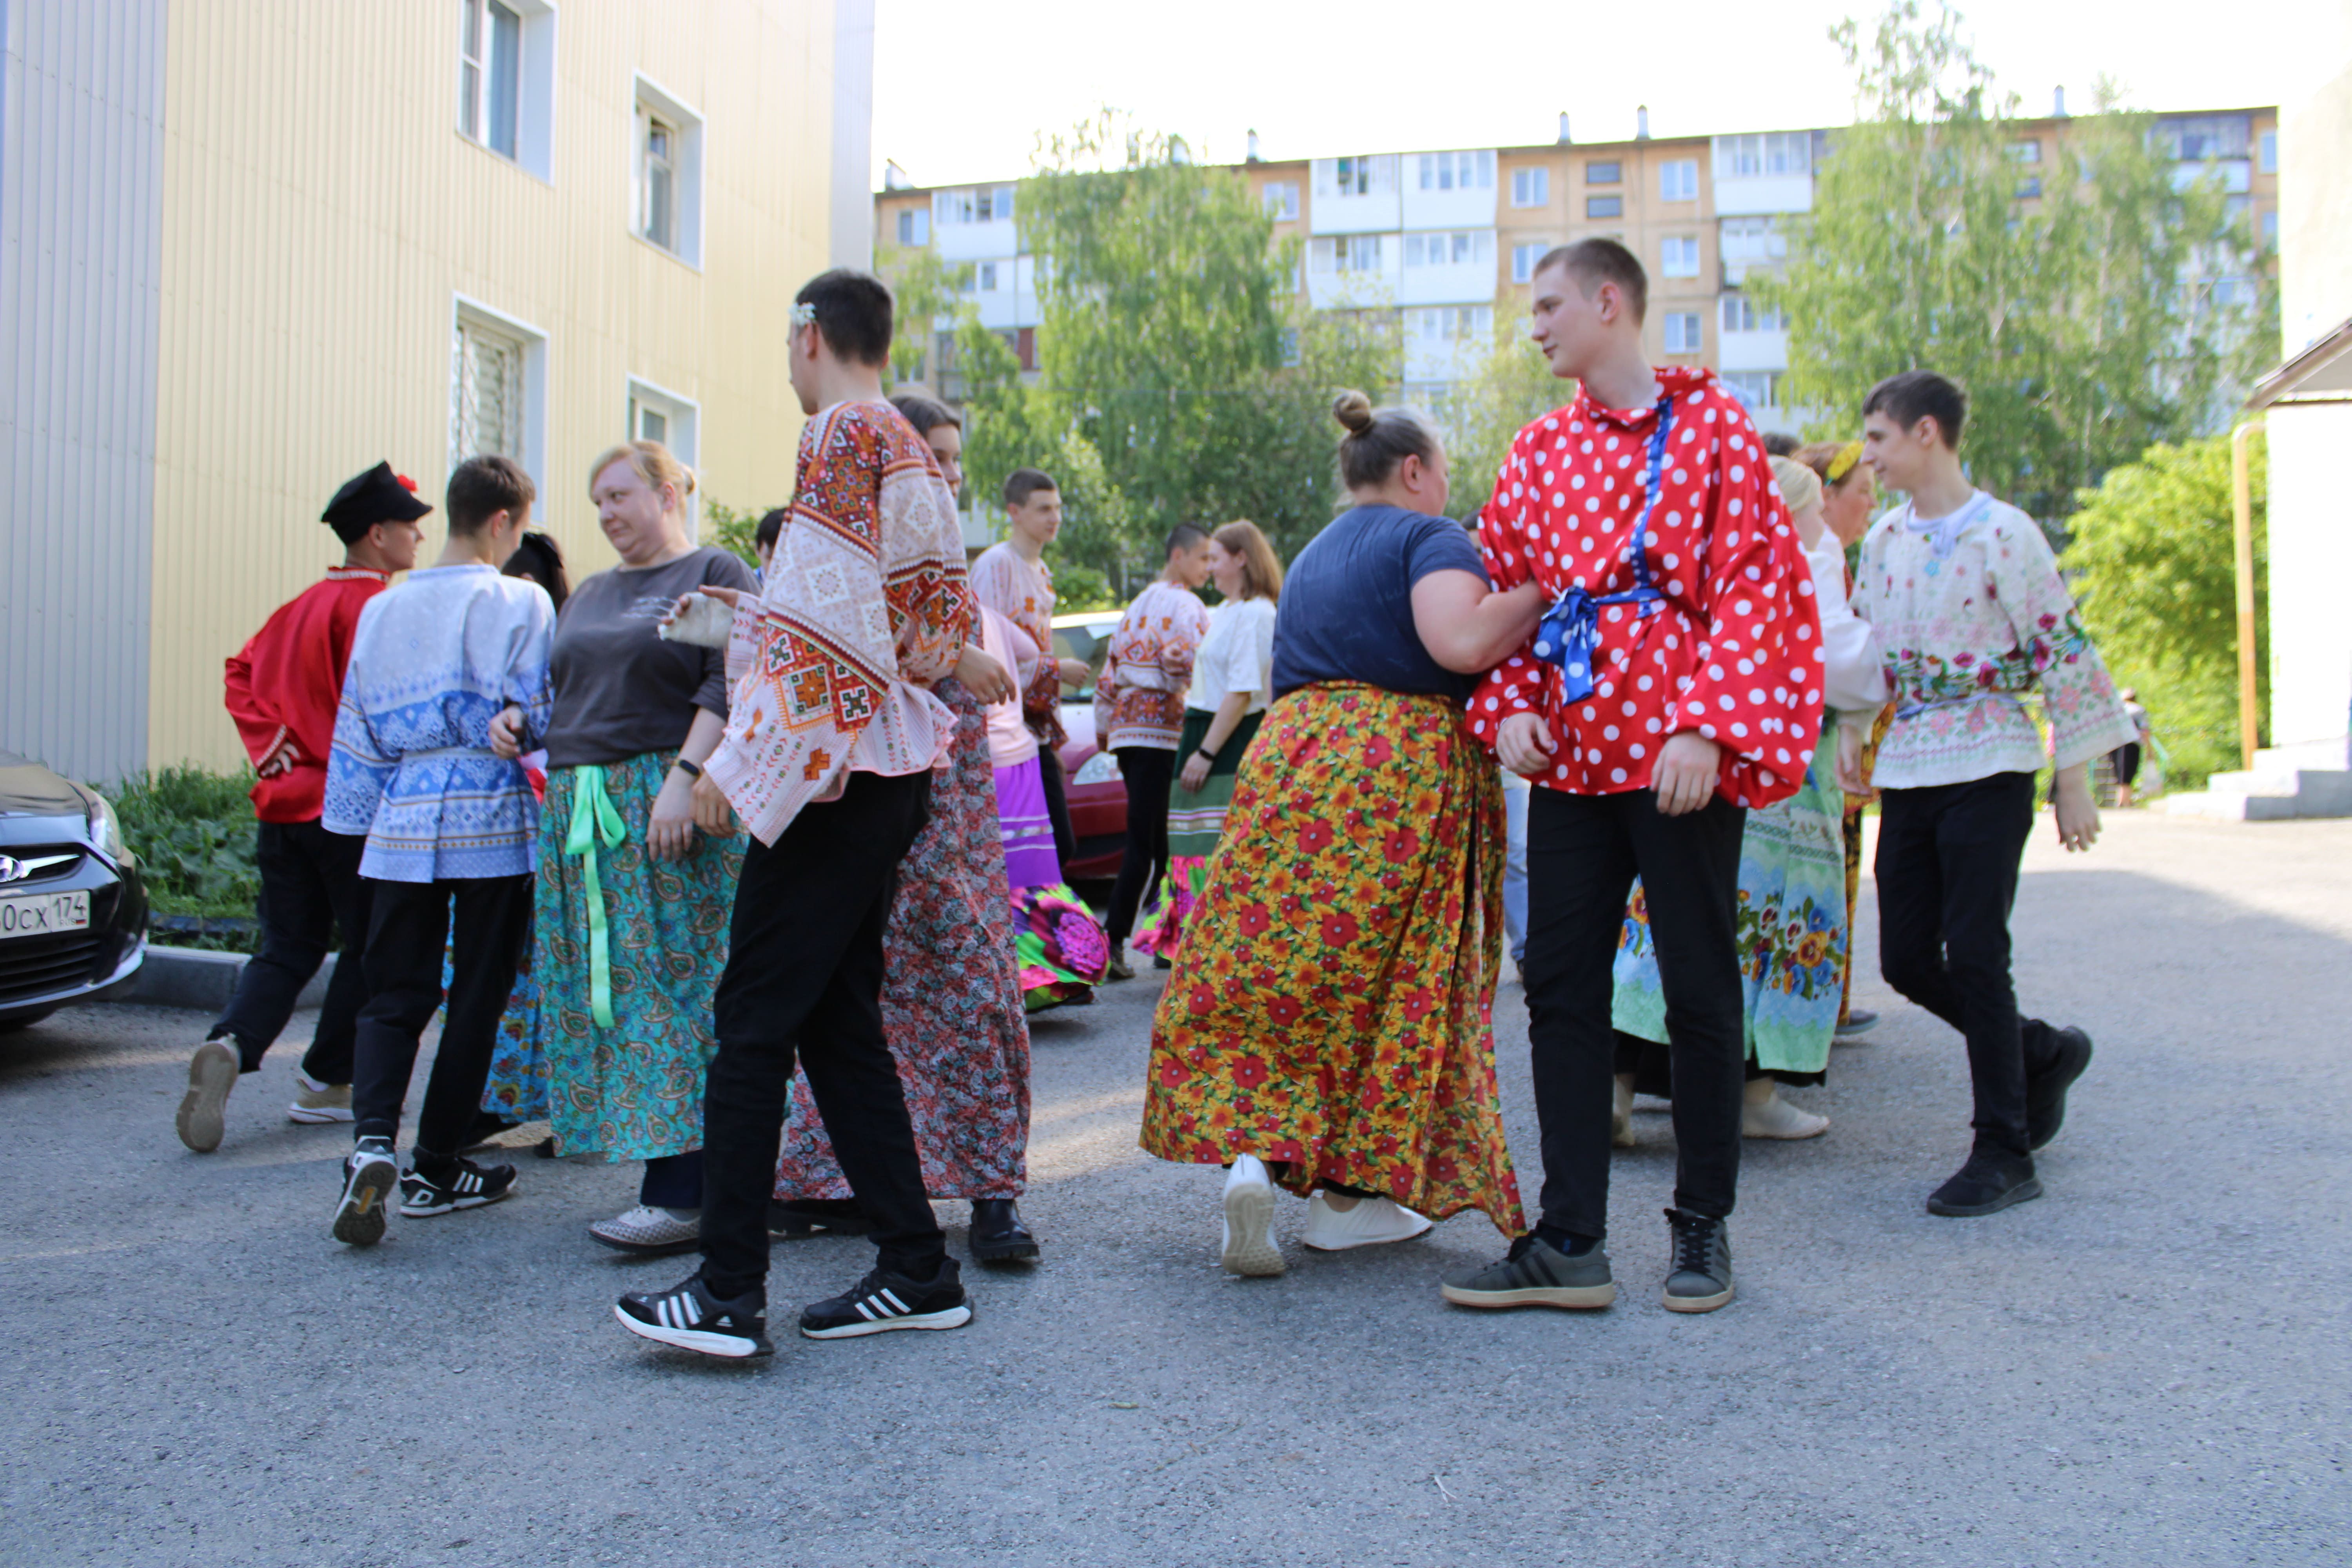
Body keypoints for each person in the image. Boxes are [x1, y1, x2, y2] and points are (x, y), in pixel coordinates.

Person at [1442, 240, 1823, 1317]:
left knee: (1699, 985)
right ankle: (1569, 1241)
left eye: (1551, 304)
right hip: (1572, 761)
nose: (1537, 325)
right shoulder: (1539, 449)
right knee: (1561, 987)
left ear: (1610, 303)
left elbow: (1755, 585)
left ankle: (1702, 1225)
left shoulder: (1715, 431)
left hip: (1676, 763)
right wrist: (1510, 707)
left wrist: (1706, 726)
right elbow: (1510, 590)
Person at [612, 268, 976, 1360]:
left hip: (839, 773)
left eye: (786, 343)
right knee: (835, 1026)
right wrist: (745, 623)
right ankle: (916, 1266)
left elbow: (828, 650)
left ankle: (728, 1292)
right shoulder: (907, 446)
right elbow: (918, 633)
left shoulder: (840, 435)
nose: (785, 361)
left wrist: (743, 766)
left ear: (807, 336)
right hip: (890, 766)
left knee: (751, 1024)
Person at [1138, 392, 1544, 1278]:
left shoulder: (1316, 554)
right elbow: (1464, 642)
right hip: (1392, 769)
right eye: (1441, 469)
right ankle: (1351, 1193)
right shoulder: (1428, 538)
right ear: (1413, 471)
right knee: (1389, 984)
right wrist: (1547, 586)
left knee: (1281, 967)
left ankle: (1255, 1158)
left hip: (1291, 758)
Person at [1845, 369, 2137, 1218]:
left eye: (1878, 440)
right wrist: (1858, 738)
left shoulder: (2004, 532)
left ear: (1926, 432)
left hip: (1992, 756)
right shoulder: (1887, 539)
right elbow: (1867, 650)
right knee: (1905, 958)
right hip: (1912, 761)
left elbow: (2061, 646)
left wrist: (2071, 776)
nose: (1870, 459)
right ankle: (2039, 1051)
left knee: (1976, 952)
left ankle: (2003, 1147)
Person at [767, 391, 1042, 1268]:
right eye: (937, 454)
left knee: (974, 993)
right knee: (855, 1011)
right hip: (863, 821)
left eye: (956, 458)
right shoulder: (849, 556)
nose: (948, 473)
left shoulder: (953, 577)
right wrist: (944, 647)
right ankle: (843, 1182)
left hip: (948, 838)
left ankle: (994, 1193)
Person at [497, 441, 755, 1257]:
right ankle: (692, 1175)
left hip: (661, 800)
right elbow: (572, 692)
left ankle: (682, 1189)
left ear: (670, 490)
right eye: (597, 500)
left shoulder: (712, 568)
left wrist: (684, 777)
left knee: (674, 986)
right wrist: (525, 724)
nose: (606, 513)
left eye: (620, 495)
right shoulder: (593, 594)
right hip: (583, 808)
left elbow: (730, 677)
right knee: (611, 991)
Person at [1608, 456, 1888, 1142]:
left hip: (1706, 766)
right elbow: (1848, 666)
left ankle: (1613, 1087)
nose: (1828, 524)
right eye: (1818, 511)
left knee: (1670, 925)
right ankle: (1754, 1094)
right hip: (1783, 780)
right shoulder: (1798, 562)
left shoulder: (1698, 561)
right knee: (1769, 928)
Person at [322, 455, 554, 1246]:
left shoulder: (382, 609)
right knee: (478, 993)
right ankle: (438, 1161)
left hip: (403, 815)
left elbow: (354, 731)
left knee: (393, 991)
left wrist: (351, 830)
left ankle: (371, 1142)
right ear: (503, 520)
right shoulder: (521, 598)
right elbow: (541, 709)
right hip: (490, 810)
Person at [178, 463, 427, 1153]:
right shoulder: (378, 610)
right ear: (377, 535)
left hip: (281, 805)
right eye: (410, 527)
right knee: (372, 947)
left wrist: (276, 745)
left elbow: (239, 671)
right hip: (348, 811)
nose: (419, 539)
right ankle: (325, 1082)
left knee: (287, 947)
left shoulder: (296, 608)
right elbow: (392, 710)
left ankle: (232, 1041)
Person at [1135, 519, 1283, 960]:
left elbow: (1241, 692)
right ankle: (1195, 943)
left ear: (1241, 558)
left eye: (1215, 557)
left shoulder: (1258, 612)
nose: (1210, 567)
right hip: (1209, 728)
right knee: (1193, 842)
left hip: (1226, 736)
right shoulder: (1232, 610)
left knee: (1214, 843)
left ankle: (1219, 944)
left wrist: (1205, 752)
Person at [1797, 439, 1889, 1041]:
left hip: (1826, 742)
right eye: (1864, 493)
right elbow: (1835, 653)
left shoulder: (1828, 550)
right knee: (1815, 876)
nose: (1870, 508)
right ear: (1824, 496)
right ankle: (1819, 1010)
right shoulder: (1819, 549)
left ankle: (1833, 1001)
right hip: (1812, 751)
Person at [977, 604, 1110, 1010]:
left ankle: (1021, 981)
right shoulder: (992, 615)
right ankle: (1068, 968)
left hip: (985, 758)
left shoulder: (948, 616)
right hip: (1023, 752)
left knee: (997, 879)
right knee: (1035, 874)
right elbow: (1033, 656)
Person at [1094, 524, 1212, 978]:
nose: (1207, 567)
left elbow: (1108, 678)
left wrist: (1108, 735)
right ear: (1179, 556)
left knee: (1159, 838)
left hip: (1128, 731)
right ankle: (1116, 940)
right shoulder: (1187, 605)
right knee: (1150, 842)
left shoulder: (1136, 605)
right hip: (1162, 731)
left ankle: (1165, 940)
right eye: (1203, 558)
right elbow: (1193, 660)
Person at [968, 470, 1093, 869]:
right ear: (1015, 512)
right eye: (1043, 508)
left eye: (1057, 508)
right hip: (1003, 731)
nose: (1054, 517)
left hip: (1032, 727)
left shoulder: (1039, 569)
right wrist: (1057, 669)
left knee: (1051, 845)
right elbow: (988, 646)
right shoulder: (997, 565)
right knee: (1033, 848)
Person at [2113, 689, 2152, 808]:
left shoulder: (2117, 709)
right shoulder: (2138, 710)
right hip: (2131, 743)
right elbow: (2144, 730)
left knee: (2119, 771)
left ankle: (2122, 799)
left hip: (2115, 743)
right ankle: (2124, 801)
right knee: (2129, 771)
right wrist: (2149, 748)